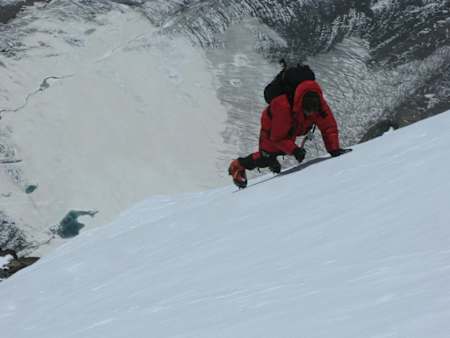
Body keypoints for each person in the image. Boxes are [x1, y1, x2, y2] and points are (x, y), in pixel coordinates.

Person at [228, 78, 349, 188]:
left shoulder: (319, 104)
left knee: (281, 150)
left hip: (292, 128)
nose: (310, 115)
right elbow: (277, 138)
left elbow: (328, 126)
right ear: (301, 105)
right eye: (307, 112)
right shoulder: (283, 107)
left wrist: (334, 149)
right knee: (266, 157)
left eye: (313, 112)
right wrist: (295, 150)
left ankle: (272, 161)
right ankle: (238, 165)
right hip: (271, 127)